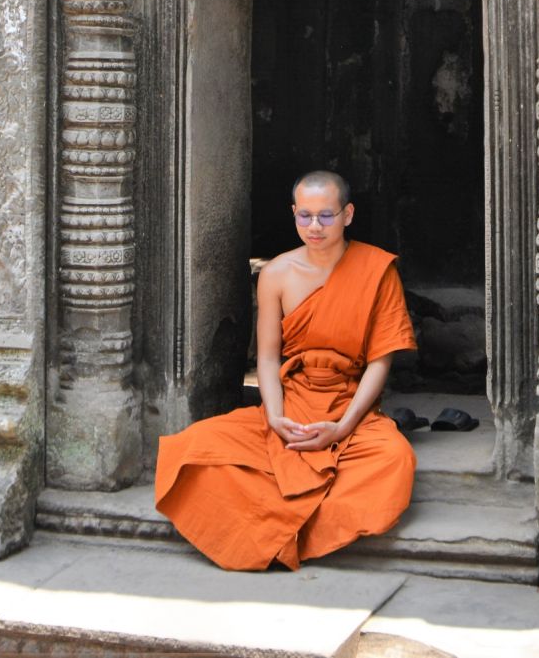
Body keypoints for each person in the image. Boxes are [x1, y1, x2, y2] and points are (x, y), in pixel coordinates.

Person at [155, 170, 418, 570]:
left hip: (351, 407)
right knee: (193, 447)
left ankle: (288, 531)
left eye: (326, 216)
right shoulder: (276, 274)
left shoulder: (377, 270)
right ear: (294, 213)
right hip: (291, 402)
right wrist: (276, 419)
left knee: (394, 459)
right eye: (305, 216)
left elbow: (380, 361)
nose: (315, 226)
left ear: (347, 214)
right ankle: (280, 527)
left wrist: (343, 428)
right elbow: (267, 357)